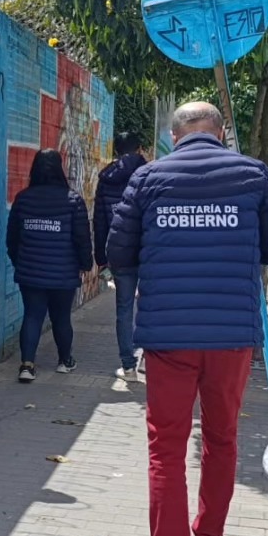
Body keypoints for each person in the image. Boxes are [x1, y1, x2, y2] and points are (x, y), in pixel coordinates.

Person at [106, 102, 268, 536]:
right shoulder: (253, 175)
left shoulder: (148, 179)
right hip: (231, 336)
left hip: (169, 336)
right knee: (221, 437)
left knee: (166, 452)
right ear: (221, 132)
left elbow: (118, 253)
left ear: (174, 136)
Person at [6, 149, 94, 382]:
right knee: (61, 317)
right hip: (63, 274)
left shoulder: (23, 199)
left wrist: (19, 262)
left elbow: (12, 237)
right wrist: (86, 264)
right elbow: (82, 238)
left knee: (32, 315)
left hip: (30, 272)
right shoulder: (72, 200)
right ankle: (65, 361)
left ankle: (27, 365)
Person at [93, 131, 147, 381]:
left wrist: (101, 258)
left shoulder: (106, 178)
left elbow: (100, 221)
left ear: (116, 151)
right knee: (150, 306)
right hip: (148, 251)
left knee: (124, 309)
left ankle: (128, 366)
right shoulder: (150, 174)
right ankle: (147, 359)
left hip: (119, 251)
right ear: (140, 149)